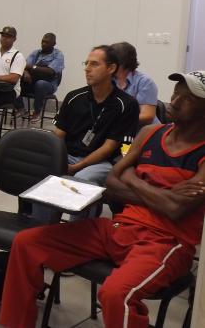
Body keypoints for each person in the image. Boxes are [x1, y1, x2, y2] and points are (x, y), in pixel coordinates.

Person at [0, 70, 205, 328]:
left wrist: (130, 177)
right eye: (176, 92)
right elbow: (112, 184)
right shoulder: (149, 135)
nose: (174, 100)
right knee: (26, 243)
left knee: (117, 294)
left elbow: (175, 210)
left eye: (188, 97)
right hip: (119, 227)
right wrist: (161, 193)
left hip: (166, 242)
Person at [30, 45, 139, 223]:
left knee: (82, 179)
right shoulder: (74, 97)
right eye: (86, 63)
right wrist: (52, 156)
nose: (87, 68)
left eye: (94, 64)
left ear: (111, 68)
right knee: (44, 172)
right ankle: (40, 230)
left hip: (104, 162)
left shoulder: (126, 104)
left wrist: (76, 167)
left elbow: (109, 147)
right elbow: (58, 134)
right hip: (70, 155)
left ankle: (77, 232)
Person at [15, 32, 65, 123]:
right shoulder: (36, 53)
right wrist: (25, 72)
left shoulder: (58, 55)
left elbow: (50, 71)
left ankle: (37, 112)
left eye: (47, 42)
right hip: (32, 81)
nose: (43, 44)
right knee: (14, 79)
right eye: (42, 41)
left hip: (49, 84)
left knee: (40, 84)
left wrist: (32, 67)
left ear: (53, 44)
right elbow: (24, 65)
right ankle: (21, 108)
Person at [112, 41, 160, 126]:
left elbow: (147, 117)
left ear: (120, 62)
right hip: (120, 131)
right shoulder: (108, 80)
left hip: (145, 133)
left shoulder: (145, 82)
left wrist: (115, 120)